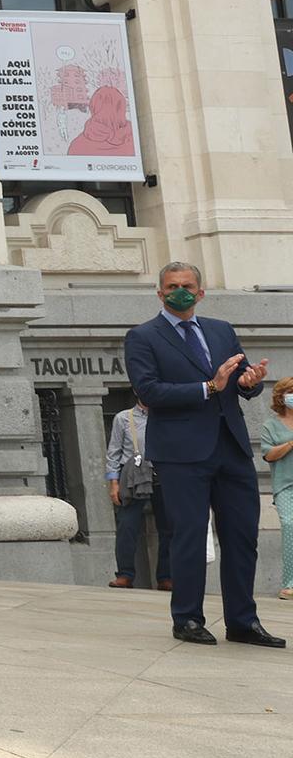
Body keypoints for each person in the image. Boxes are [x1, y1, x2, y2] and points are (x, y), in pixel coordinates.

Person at [125, 261, 279, 648]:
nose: (181, 291)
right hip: (181, 453)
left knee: (242, 536)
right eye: (172, 286)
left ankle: (243, 621)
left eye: (188, 285)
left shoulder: (221, 330)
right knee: (189, 536)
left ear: (201, 291)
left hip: (231, 447)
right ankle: (188, 618)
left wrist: (250, 382)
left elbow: (240, 382)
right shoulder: (143, 337)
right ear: (160, 293)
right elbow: (149, 391)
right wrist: (209, 387)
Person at [104, 395, 171, 591]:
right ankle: (124, 575)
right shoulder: (123, 418)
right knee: (127, 525)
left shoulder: (167, 415)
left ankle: (166, 577)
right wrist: (114, 484)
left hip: (162, 475)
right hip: (134, 477)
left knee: (169, 528)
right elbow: (113, 452)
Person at [261, 378, 293, 603]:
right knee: (290, 525)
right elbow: (268, 454)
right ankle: (289, 583)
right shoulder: (270, 426)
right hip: (285, 485)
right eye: (291, 391)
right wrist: (290, 443)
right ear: (281, 396)